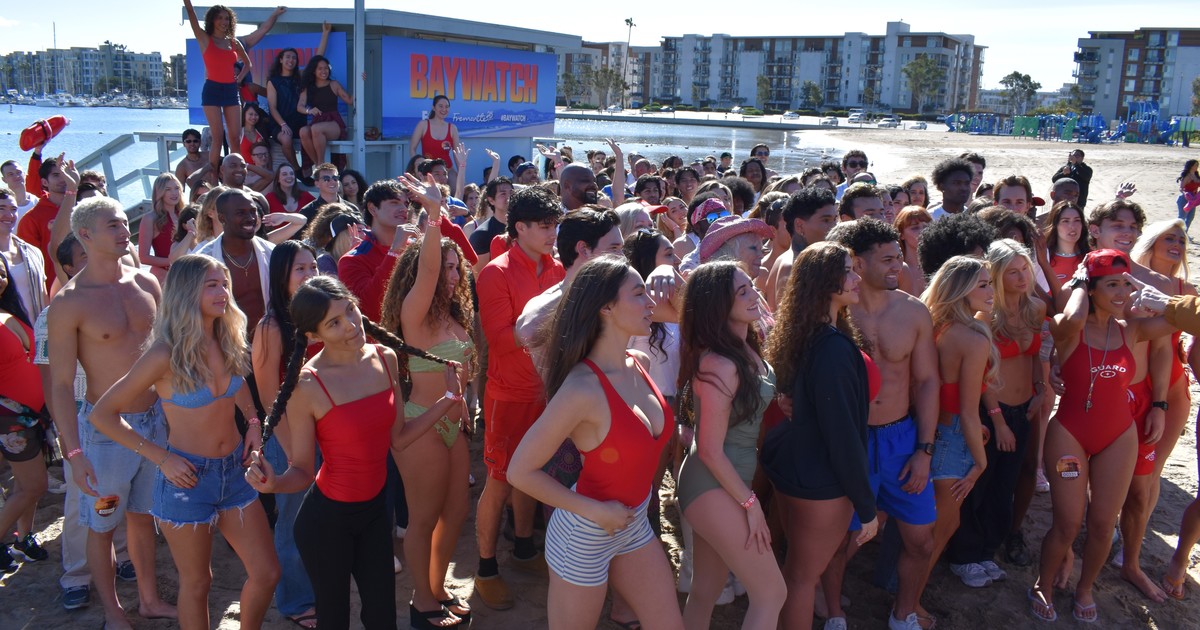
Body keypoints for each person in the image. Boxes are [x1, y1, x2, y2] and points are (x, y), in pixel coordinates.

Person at [245, 276, 464, 630]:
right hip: (326, 523)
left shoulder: (385, 358)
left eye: (351, 310)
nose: (351, 325)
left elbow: (399, 439)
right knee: (334, 620)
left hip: (376, 513)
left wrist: (449, 400)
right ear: (314, 335)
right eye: (334, 323)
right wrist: (273, 485)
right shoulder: (308, 385)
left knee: (382, 618)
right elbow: (302, 471)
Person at [89, 255, 280, 629]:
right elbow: (102, 414)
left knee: (267, 572)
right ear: (186, 292)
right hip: (187, 481)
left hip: (236, 473)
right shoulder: (164, 353)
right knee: (197, 584)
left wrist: (254, 424)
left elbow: (238, 387)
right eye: (212, 285)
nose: (223, 292)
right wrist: (161, 458)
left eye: (224, 284)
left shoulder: (227, 336)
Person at [506, 256, 682, 630]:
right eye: (639, 294)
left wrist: (669, 271)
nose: (651, 302)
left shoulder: (640, 362)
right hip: (583, 535)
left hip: (634, 524)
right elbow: (519, 471)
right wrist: (596, 511)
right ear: (606, 307)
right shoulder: (582, 389)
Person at [47, 196, 177, 629]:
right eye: (113, 226)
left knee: (143, 518)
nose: (125, 231)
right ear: (85, 234)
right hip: (105, 436)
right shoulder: (69, 302)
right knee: (101, 525)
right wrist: (73, 453)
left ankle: (149, 600)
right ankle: (113, 611)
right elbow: (61, 385)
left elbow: (169, 353)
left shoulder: (147, 282)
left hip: (154, 422)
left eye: (125, 223)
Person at [1029, 249, 1173, 623]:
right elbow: (1075, 317)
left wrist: (1149, 291)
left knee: (1103, 524)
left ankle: (1085, 588)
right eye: (1112, 285)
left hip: (1118, 437)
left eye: (1126, 284)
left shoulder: (1132, 329)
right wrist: (1080, 278)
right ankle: (1043, 584)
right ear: (1090, 289)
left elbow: (1183, 320)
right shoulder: (1067, 327)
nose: (1123, 293)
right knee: (1067, 524)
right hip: (1070, 434)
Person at [825, 218, 937, 630]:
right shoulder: (835, 312)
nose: (899, 266)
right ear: (857, 262)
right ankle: (834, 614)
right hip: (851, 440)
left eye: (899, 257)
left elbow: (927, 382)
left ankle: (903, 613)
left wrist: (924, 449)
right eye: (888, 259)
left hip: (901, 439)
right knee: (840, 540)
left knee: (921, 541)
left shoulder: (913, 311)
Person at [761, 241, 879, 629]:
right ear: (825, 282)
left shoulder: (806, 335)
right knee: (801, 579)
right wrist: (866, 506)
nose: (857, 278)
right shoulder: (833, 349)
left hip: (796, 469)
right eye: (847, 270)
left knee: (795, 572)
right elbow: (843, 435)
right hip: (820, 483)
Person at [380, 177, 476, 627]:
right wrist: (435, 218)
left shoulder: (453, 316)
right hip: (421, 425)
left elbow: (464, 370)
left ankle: (437, 587)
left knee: (455, 514)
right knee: (422, 519)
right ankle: (422, 603)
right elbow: (430, 270)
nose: (453, 276)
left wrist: (467, 404)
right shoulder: (414, 314)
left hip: (454, 425)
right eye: (447, 268)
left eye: (458, 269)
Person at [673, 261, 785, 629]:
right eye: (742, 291)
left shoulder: (742, 347)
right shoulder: (719, 363)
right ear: (718, 305)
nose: (754, 295)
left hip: (727, 482)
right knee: (771, 593)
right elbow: (709, 449)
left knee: (707, 587)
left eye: (751, 285)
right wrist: (751, 504)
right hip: (712, 484)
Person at [473, 186, 565, 610]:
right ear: (520, 228)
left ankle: (524, 549)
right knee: (499, 481)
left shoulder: (556, 267)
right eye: (544, 226)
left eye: (554, 225)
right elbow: (499, 339)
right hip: (508, 396)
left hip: (544, 393)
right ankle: (485, 568)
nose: (552, 233)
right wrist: (546, 325)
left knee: (532, 471)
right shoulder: (496, 272)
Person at [249, 240, 321, 629]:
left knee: (319, 518)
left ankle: (315, 588)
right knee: (293, 521)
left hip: (326, 433)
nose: (310, 275)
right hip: (290, 437)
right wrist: (294, 449)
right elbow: (267, 397)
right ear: (282, 277)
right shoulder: (271, 327)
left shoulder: (322, 315)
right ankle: (295, 601)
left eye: (314, 267)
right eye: (300, 269)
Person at [915, 256, 994, 603]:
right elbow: (968, 411)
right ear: (961, 290)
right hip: (953, 439)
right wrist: (981, 463)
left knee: (926, 529)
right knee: (938, 533)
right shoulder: (972, 338)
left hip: (928, 432)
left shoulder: (934, 325)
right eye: (983, 285)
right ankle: (909, 606)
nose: (991, 292)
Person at [0, 252, 50, 574]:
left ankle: (23, 537)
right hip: (9, 418)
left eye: (1, 272)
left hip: (35, 414)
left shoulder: (10, 312)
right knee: (34, 485)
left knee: (24, 484)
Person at [193, 188, 276, 334]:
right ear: (222, 218)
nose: (250, 218)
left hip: (269, 339)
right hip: (224, 341)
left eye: (253, 211)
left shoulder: (271, 252)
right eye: (240, 213)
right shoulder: (202, 261)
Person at [184, 1, 250, 172]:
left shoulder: (234, 42)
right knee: (217, 137)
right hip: (212, 90)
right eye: (219, 18)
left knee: (235, 138)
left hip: (231, 91)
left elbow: (247, 64)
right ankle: (213, 177)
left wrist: (238, 80)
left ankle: (237, 174)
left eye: (226, 18)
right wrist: (187, 3)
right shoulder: (205, 39)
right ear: (212, 20)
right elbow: (191, 16)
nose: (223, 21)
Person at [265, 25, 333, 176]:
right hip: (280, 124)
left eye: (294, 58)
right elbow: (272, 107)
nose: (291, 60)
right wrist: (283, 124)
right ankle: (297, 170)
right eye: (288, 57)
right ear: (281, 60)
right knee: (286, 139)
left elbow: (317, 59)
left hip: (299, 122)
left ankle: (314, 169)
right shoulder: (273, 81)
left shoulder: (301, 76)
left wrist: (325, 33)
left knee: (308, 134)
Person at [764, 186, 839, 310]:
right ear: (799, 225)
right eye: (826, 220)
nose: (834, 227)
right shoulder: (796, 266)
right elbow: (797, 321)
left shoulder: (784, 260)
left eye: (835, 219)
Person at [297, 55, 354, 167]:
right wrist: (309, 110)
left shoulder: (334, 84)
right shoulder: (308, 87)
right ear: (314, 71)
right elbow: (300, 106)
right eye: (320, 68)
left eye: (326, 68)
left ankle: (321, 163)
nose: (324, 71)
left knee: (316, 129)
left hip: (334, 123)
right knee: (303, 131)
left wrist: (361, 82)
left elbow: (350, 100)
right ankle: (319, 165)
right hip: (317, 121)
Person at [139, 173, 185, 283]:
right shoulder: (150, 218)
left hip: (188, 273)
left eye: (177, 188)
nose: (174, 193)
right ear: (159, 193)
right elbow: (144, 258)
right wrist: (173, 261)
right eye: (168, 189)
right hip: (164, 276)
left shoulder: (185, 214)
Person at [1043, 201, 1089, 304]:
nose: (1072, 226)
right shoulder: (1043, 257)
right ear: (1055, 225)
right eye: (1065, 221)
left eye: (1077, 220)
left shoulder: (1090, 257)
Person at [410, 96, 462, 180]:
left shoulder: (453, 128)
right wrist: (417, 168)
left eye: (446, 106)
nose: (444, 109)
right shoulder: (423, 125)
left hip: (447, 170)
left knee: (457, 186)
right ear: (433, 108)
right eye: (440, 106)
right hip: (428, 171)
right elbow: (412, 149)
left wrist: (461, 174)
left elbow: (457, 154)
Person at [303, 204, 363, 276]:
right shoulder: (325, 261)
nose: (365, 234)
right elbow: (338, 284)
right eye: (359, 230)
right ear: (343, 237)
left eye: (365, 230)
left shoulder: (366, 255)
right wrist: (352, 258)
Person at [894, 206, 931, 296]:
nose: (923, 231)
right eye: (915, 228)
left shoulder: (939, 265)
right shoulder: (896, 269)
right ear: (901, 234)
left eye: (926, 226)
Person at [1176, 159, 1200, 236]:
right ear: (1191, 166)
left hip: (1193, 200)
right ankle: (1177, 233)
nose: (1197, 166)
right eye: (1195, 165)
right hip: (1184, 199)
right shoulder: (1187, 176)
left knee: (1190, 218)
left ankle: (1184, 234)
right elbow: (1181, 188)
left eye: (1197, 165)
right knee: (1182, 218)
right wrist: (1185, 193)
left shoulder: (1196, 175)